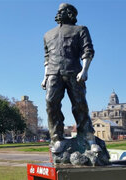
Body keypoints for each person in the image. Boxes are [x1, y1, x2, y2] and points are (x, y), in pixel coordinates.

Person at [41, 3, 95, 152]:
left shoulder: (80, 30)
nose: (58, 13)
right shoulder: (48, 34)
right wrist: (45, 77)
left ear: (70, 13)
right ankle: (57, 138)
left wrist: (85, 70)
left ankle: (88, 136)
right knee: (50, 103)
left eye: (62, 11)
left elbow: (88, 50)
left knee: (80, 104)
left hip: (74, 72)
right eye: (58, 11)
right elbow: (47, 57)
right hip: (53, 73)